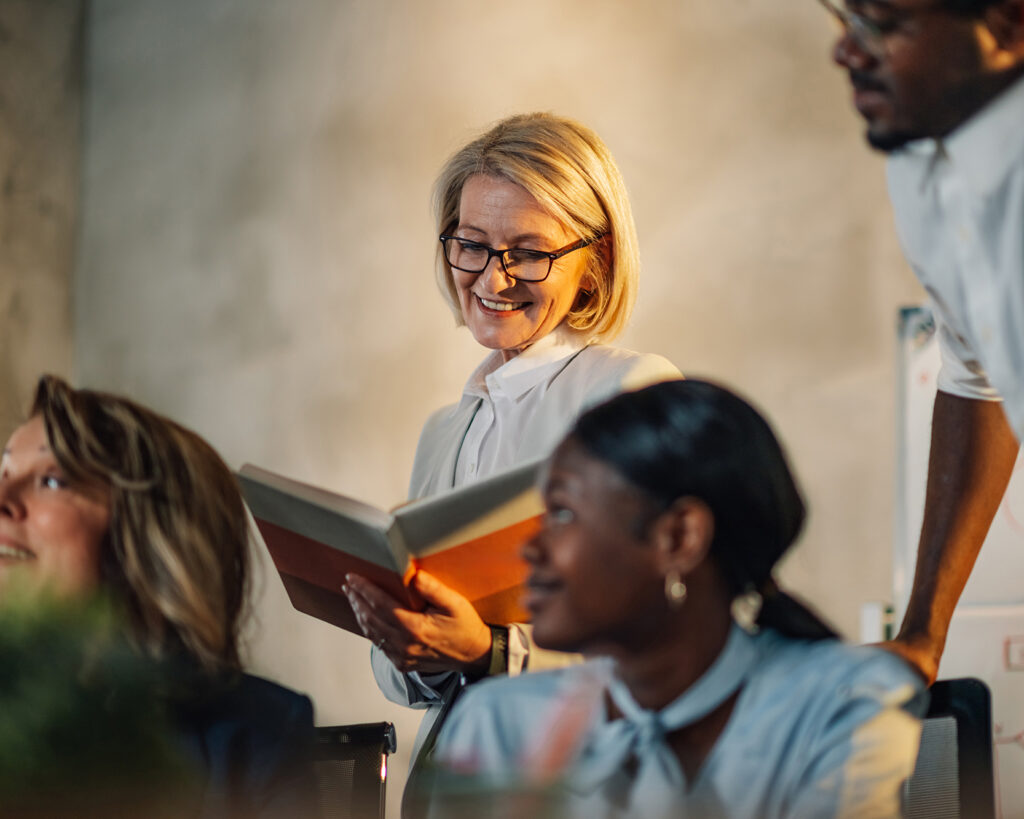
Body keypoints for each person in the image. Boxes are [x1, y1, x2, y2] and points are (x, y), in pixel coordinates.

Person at [426, 379, 925, 818]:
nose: (528, 548)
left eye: (561, 513)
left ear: (679, 537)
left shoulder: (841, 703)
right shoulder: (497, 723)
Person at [342, 112, 680, 758]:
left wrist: (490, 651)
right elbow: (409, 683)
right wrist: (412, 642)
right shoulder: (445, 430)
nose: (492, 280)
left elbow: (664, 642)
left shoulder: (630, 392)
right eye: (471, 243)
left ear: (595, 260)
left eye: (527, 253)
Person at [0, 375, 318, 819]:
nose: (3, 499)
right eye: (4, 473)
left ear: (151, 538)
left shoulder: (254, 737)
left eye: (52, 481)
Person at [822, 0, 1024, 682]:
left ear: (1009, 26)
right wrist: (923, 634)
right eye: (843, 19)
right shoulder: (921, 157)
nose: (846, 53)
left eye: (884, 23)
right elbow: (977, 376)